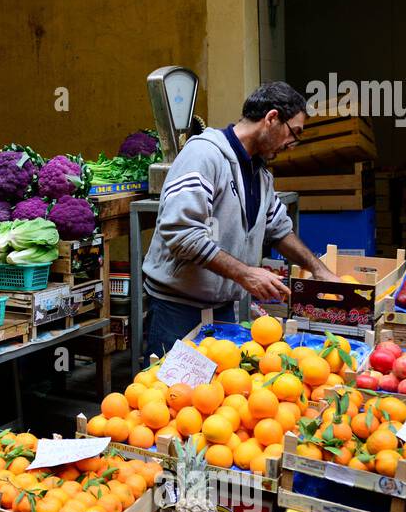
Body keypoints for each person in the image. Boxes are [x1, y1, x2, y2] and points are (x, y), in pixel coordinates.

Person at [142, 81, 337, 359]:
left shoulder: (260, 173)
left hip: (221, 309)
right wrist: (246, 274)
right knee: (170, 395)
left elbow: (278, 229)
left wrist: (318, 269)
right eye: (294, 134)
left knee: (216, 398)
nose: (291, 146)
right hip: (177, 308)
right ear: (271, 118)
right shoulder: (204, 155)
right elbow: (183, 233)